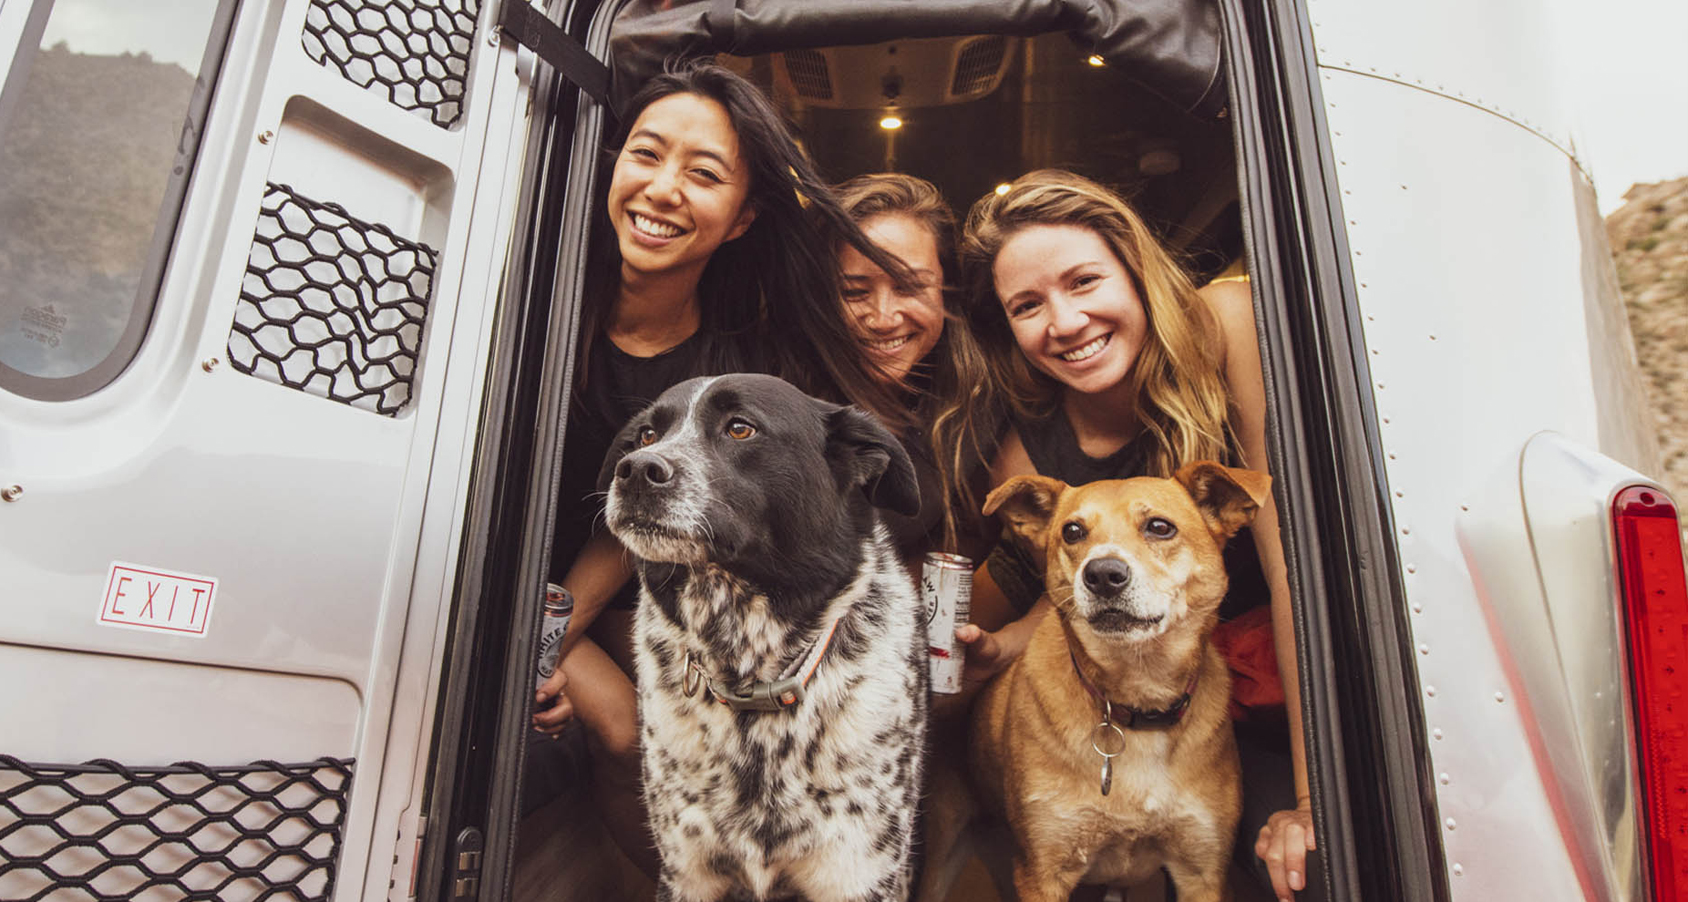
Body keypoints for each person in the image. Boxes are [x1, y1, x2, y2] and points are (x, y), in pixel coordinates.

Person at [528, 61, 908, 874]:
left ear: (741, 219)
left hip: (616, 589)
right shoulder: (530, 294)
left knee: (631, 732)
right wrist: (533, 636)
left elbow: (631, 519)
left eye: (703, 174)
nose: (662, 189)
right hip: (481, 581)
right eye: (646, 155)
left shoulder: (735, 367)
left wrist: (554, 634)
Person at [936, 169, 1315, 901]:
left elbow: (1290, 564)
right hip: (1099, 676)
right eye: (1027, 305)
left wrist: (1309, 797)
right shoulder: (1021, 438)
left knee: (1297, 870)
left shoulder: (1227, 324)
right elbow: (1066, 588)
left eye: (1083, 281)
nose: (1065, 321)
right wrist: (1001, 649)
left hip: (1238, 669)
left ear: (1136, 270)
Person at [829, 173, 983, 560]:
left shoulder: (981, 405)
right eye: (855, 292)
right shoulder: (774, 398)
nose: (883, 318)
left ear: (948, 288)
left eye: (909, 287)